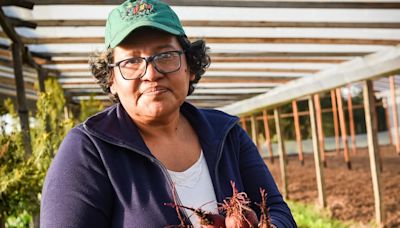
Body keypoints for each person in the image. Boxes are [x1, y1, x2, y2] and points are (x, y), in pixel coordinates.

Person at [40, 0, 297, 227]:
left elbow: (276, 209)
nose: (151, 73)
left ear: (190, 67)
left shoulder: (226, 133)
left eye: (165, 55)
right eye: (131, 61)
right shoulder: (89, 150)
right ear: (111, 80)